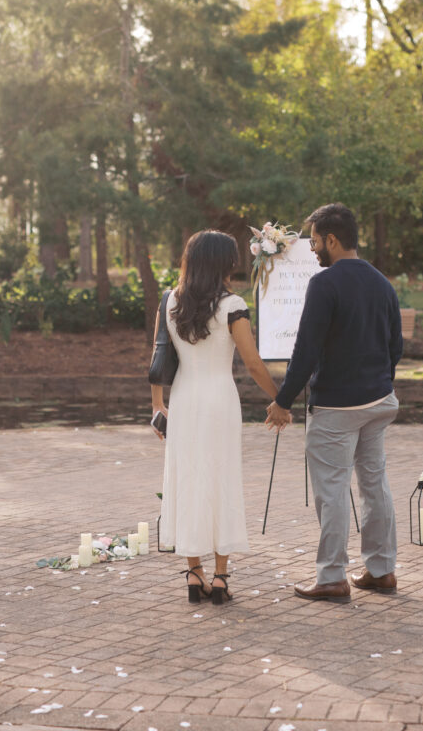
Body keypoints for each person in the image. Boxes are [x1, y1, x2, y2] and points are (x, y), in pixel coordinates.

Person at [265, 203, 403, 603]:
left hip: (337, 409)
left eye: (314, 241)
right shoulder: (382, 283)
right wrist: (377, 383)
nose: (312, 250)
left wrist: (282, 401)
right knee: (375, 485)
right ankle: (381, 570)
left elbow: (305, 351)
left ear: (332, 239)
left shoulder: (324, 284)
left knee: (332, 489)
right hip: (379, 402)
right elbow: (396, 346)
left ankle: (331, 577)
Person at [152, 230, 280, 605]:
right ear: (224, 263)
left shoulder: (169, 301)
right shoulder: (232, 305)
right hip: (219, 401)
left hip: (184, 400)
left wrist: (157, 407)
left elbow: (159, 358)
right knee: (222, 478)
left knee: (188, 480)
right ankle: (221, 577)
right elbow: (253, 365)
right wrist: (281, 400)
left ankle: (195, 574)